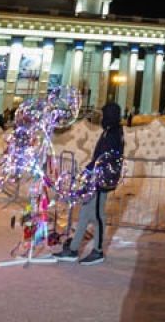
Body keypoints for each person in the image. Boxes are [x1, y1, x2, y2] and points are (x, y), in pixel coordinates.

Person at [56, 102, 125, 265]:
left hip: (101, 180)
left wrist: (90, 170)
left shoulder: (113, 133)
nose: (101, 118)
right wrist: (88, 170)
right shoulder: (110, 131)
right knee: (85, 214)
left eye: (104, 115)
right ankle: (73, 249)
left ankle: (98, 251)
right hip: (96, 177)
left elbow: (104, 158)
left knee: (97, 216)